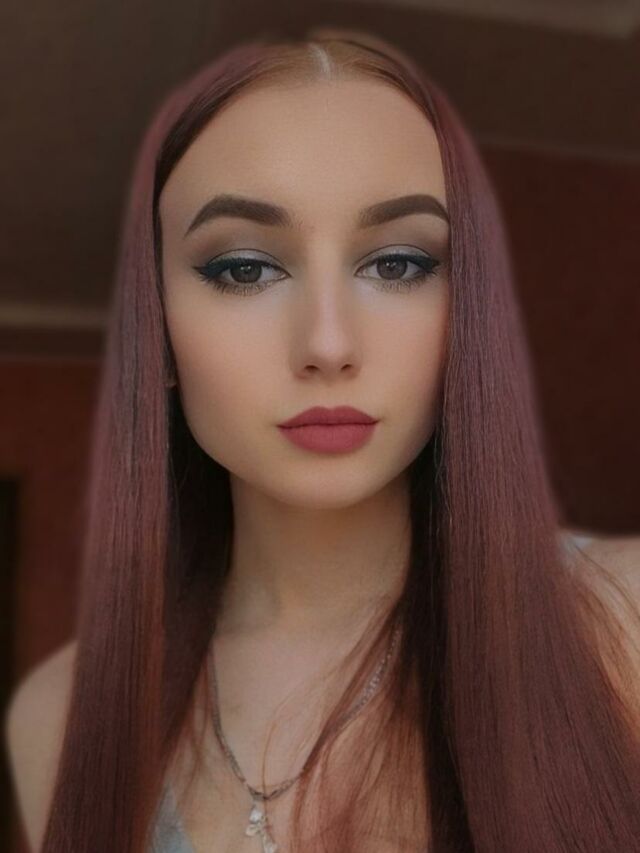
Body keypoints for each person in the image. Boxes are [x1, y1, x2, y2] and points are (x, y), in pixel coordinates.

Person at [5, 28, 640, 853]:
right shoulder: (56, 717)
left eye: (399, 263)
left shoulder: (623, 619)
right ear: (155, 328)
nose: (330, 342)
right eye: (243, 268)